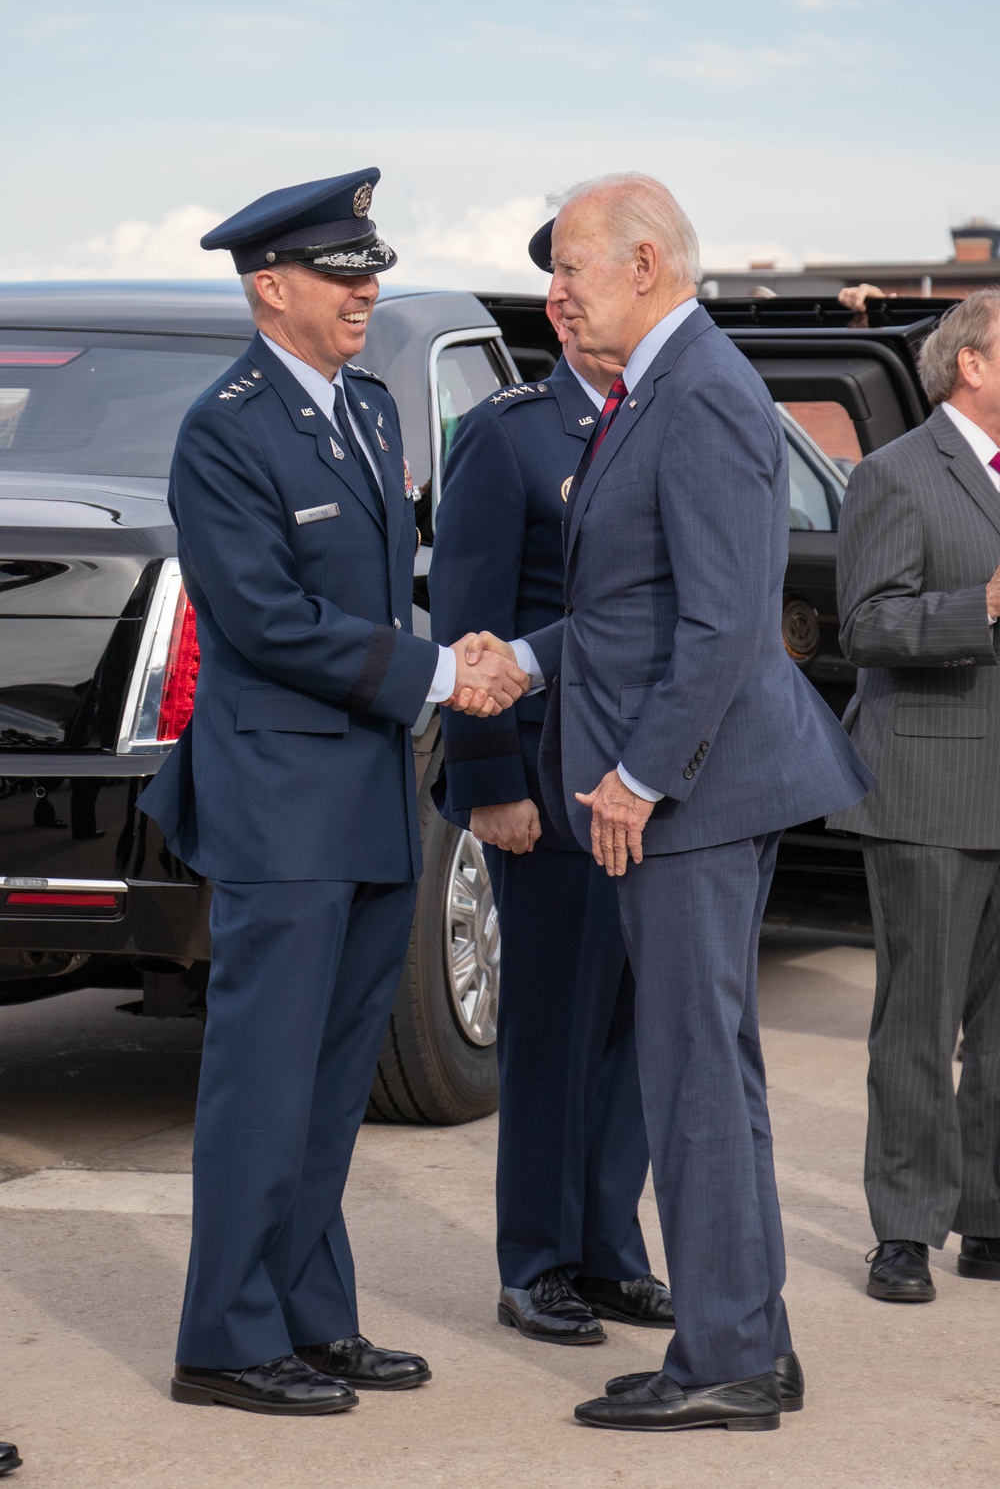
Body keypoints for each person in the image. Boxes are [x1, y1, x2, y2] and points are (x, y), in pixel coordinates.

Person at [480, 171, 872, 1432]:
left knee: (695, 1072)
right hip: (689, 785)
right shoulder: (657, 388)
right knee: (709, 1070)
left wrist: (637, 780)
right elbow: (625, 605)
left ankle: (727, 1362)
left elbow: (718, 625)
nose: (556, 293)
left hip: (690, 796)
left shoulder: (697, 393)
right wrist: (529, 660)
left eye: (573, 271)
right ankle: (744, 1332)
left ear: (644, 265)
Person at [136, 169, 528, 1416]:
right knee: (264, 1076)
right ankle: (225, 1339)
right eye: (341, 274)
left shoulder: (361, 406)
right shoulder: (226, 425)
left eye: (370, 271)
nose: (366, 292)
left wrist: (450, 658)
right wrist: (433, 671)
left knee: (331, 1076)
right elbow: (261, 616)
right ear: (272, 287)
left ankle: (310, 1316)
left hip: (364, 789)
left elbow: (382, 579)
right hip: (279, 801)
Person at [429, 298, 672, 1346]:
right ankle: (537, 1260)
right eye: (568, 289)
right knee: (553, 1033)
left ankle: (610, 1249)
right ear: (563, 317)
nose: (582, 305)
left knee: (634, 1031)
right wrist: (489, 782)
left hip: (650, 780)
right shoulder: (509, 430)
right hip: (548, 779)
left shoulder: (655, 416)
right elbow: (469, 611)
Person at [828, 291, 1000, 1302]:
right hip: (928, 789)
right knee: (916, 1024)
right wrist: (977, 606)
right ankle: (904, 1231)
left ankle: (988, 1219)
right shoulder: (893, 475)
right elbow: (867, 628)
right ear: (971, 364)